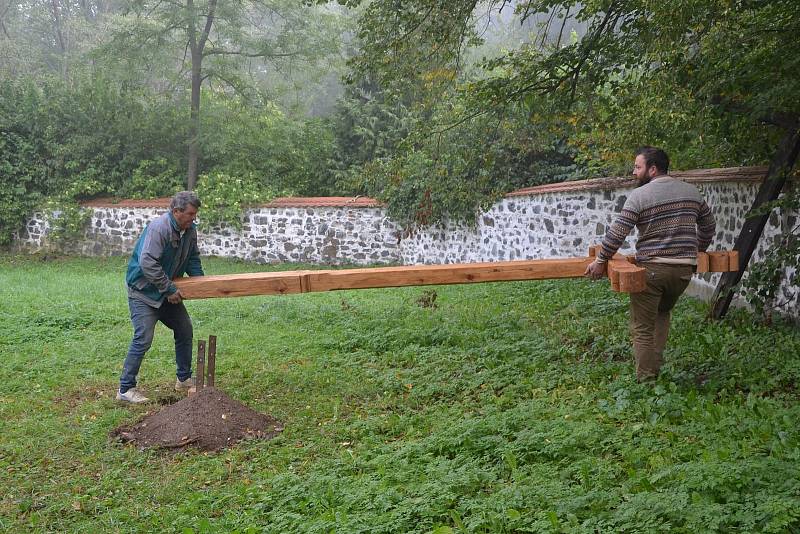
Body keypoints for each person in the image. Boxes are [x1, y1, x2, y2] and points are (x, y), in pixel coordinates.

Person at [584, 147, 716, 381]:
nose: (634, 172)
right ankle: (654, 369)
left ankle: (646, 380)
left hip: (653, 271)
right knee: (662, 313)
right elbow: (708, 225)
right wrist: (698, 250)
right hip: (683, 272)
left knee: (642, 327)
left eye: (638, 167)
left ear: (652, 169)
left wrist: (601, 259)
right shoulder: (691, 192)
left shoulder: (640, 196)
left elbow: (618, 232)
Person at [117, 191, 205, 403]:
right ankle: (125, 389)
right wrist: (169, 289)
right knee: (143, 339)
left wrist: (201, 283)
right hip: (144, 293)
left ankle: (183, 379)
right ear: (176, 212)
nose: (194, 218)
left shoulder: (189, 230)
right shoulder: (160, 228)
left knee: (184, 330)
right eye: (191, 214)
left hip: (167, 292)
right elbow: (148, 263)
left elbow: (192, 257)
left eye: (195, 214)